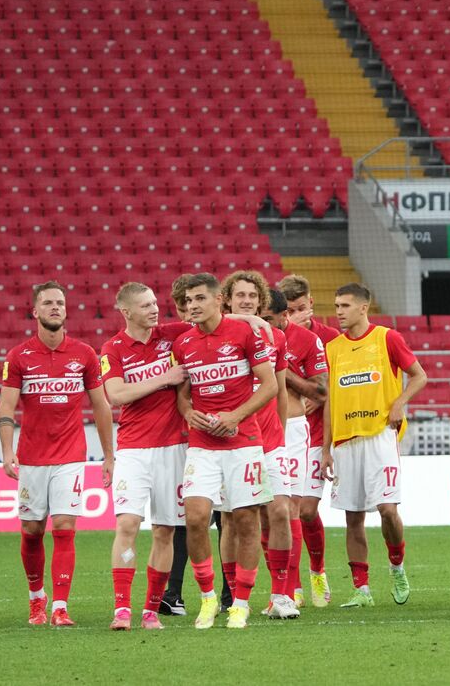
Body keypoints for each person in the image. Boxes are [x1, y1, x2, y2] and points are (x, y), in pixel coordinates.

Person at [0, 281, 114, 627]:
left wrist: (109, 455)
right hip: (32, 457)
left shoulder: (84, 354)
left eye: (60, 303)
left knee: (64, 526)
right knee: (32, 530)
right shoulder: (18, 356)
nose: (55, 308)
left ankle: (60, 606)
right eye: (48, 303)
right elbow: (6, 407)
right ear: (35, 311)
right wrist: (7, 451)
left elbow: (101, 406)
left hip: (70, 455)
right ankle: (37, 598)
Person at [172, 273, 279, 630]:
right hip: (203, 445)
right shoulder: (183, 343)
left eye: (200, 298)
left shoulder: (244, 334)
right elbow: (182, 395)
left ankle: (241, 603)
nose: (192, 306)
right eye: (189, 301)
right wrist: (188, 412)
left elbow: (270, 385)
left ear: (219, 300)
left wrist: (235, 416)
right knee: (195, 518)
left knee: (246, 520)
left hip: (243, 442)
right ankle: (207, 599)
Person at [321, 283, 427, 608]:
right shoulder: (333, 348)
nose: (339, 311)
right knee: (352, 517)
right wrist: (325, 448)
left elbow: (419, 376)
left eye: (345, 305)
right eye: (337, 305)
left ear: (363, 307)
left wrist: (399, 403)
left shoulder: (387, 338)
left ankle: (397, 567)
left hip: (380, 435)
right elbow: (330, 400)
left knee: (387, 510)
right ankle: (361, 589)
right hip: (345, 440)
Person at [99, 282, 192, 630]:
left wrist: (253, 320)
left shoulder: (172, 335)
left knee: (165, 530)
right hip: (134, 450)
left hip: (174, 448)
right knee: (127, 524)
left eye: (155, 303)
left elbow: (217, 321)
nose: (154, 309)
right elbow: (116, 394)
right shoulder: (113, 348)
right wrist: (164, 378)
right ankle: (122, 609)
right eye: (145, 305)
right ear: (126, 312)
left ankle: (151, 610)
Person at [220, 270, 298, 620]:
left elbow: (279, 390)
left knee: (280, 511)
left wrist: (280, 435)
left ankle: (281, 595)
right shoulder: (217, 333)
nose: (247, 301)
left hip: (270, 441)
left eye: (253, 295)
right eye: (240, 295)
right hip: (231, 443)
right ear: (227, 299)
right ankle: (234, 596)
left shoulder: (275, 337)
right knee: (232, 521)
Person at [268, 286, 329, 608]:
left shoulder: (313, 339)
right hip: (258, 430)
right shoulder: (244, 335)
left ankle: (312, 574)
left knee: (300, 509)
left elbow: (322, 392)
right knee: (267, 514)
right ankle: (286, 588)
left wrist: (282, 370)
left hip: (299, 432)